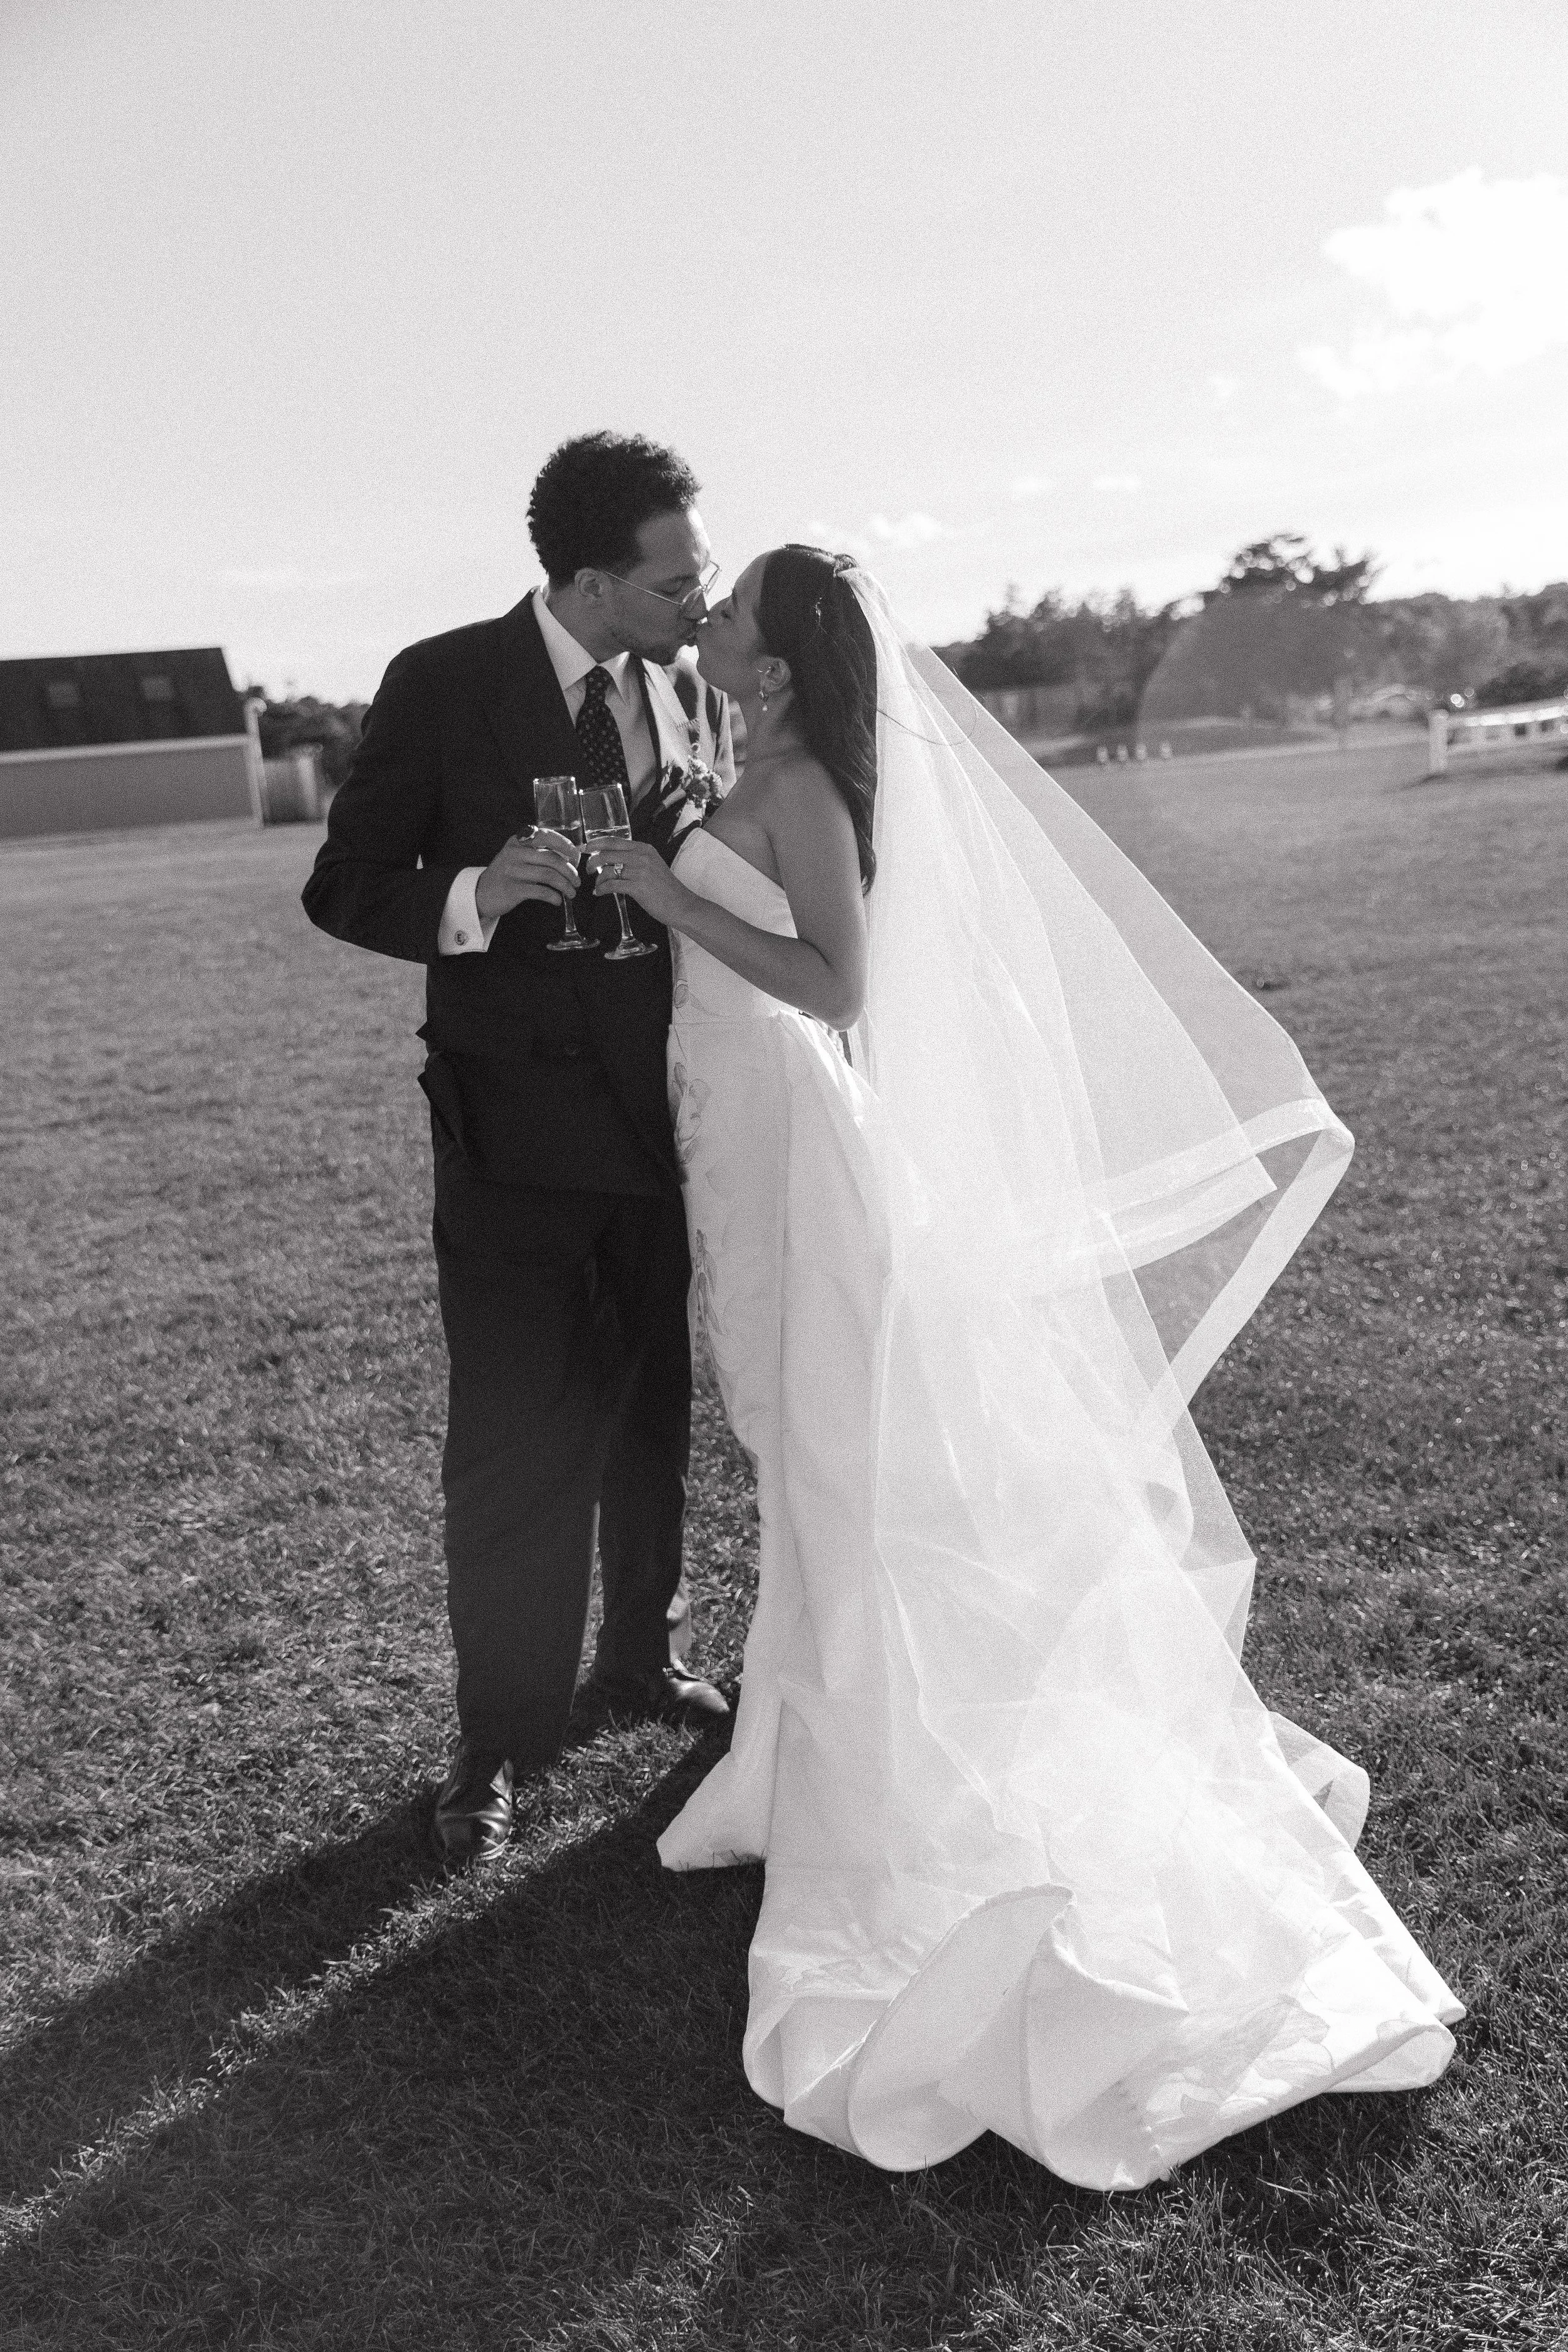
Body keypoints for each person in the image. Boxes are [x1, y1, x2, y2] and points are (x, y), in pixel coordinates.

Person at [590, 544, 1463, 2189]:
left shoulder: (802, 801)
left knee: (838, 1452)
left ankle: (886, 1768)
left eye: (728, 617)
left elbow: (839, 985)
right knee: (795, 1448)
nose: (703, 624)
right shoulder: (750, 765)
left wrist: (671, 897)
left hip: (799, 1153)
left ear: (776, 667)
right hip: (738, 1141)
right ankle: (797, 1731)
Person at [302, 432, 734, 1868]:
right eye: (678, 575)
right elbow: (343, 882)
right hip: (512, 1140)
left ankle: (641, 1656)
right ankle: (497, 1739)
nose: (700, 594)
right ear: (595, 582)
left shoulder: (683, 687)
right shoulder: (442, 680)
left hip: (668, 1123)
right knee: (513, 1443)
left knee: (647, 1411)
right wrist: (476, 893)